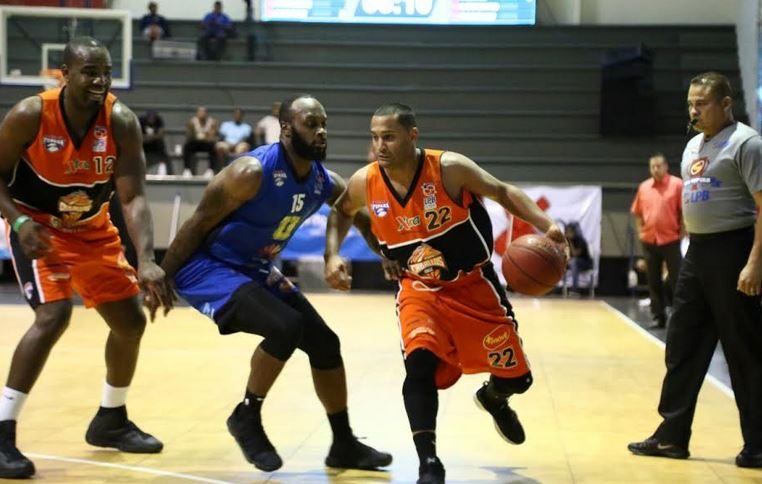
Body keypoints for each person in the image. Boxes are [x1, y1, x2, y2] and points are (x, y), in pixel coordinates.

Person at [324, 103, 567, 484]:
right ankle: (429, 463)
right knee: (419, 364)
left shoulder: (448, 168)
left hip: (474, 286)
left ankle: (493, 398)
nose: (380, 146)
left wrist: (547, 225)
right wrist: (333, 254)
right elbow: (342, 211)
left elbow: (503, 191)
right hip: (420, 289)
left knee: (518, 379)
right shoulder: (364, 181)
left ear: (412, 136)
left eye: (389, 137)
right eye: (375, 137)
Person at [158, 94, 392, 473]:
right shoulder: (250, 172)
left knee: (325, 344)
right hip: (209, 266)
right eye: (311, 124)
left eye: (324, 124)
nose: (321, 132)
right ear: (286, 128)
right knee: (285, 326)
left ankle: (344, 444)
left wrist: (376, 254)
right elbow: (197, 223)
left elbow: (356, 215)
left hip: (254, 266)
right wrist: (162, 277)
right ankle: (246, 416)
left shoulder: (321, 180)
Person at [0, 37, 174, 479]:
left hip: (93, 230)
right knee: (54, 315)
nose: (100, 81)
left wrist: (146, 259)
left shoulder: (121, 121)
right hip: (39, 229)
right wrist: (18, 223)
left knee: (131, 323)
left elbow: (133, 197)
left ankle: (110, 420)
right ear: (64, 74)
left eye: (106, 72)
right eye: (90, 72)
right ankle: (2, 431)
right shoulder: (30, 114)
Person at [628, 72, 762, 468]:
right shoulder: (692, 147)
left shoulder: (747, 143)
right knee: (682, 343)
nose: (693, 110)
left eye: (701, 103)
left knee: (744, 349)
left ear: (726, 104)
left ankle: (758, 443)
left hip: (734, 250)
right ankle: (672, 436)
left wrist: (755, 262)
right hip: (698, 253)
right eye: (690, 103)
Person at [630, 153, 683, 328]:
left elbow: (683, 211)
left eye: (658, 166)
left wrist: (682, 233)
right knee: (653, 280)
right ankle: (658, 316)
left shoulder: (677, 185)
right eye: (652, 167)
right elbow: (637, 212)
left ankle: (680, 317)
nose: (655, 169)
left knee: (676, 279)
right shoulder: (644, 187)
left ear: (666, 166)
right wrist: (640, 232)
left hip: (671, 239)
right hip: (649, 240)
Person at [182, 106, 218, 177]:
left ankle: (210, 170)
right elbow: (189, 135)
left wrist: (202, 136)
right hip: (195, 143)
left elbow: (212, 136)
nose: (202, 114)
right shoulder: (192, 122)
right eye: (200, 112)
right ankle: (187, 170)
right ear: (197, 113)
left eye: (203, 112)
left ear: (206, 113)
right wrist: (204, 135)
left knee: (213, 147)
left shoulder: (212, 122)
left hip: (206, 144)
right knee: (187, 146)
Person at [139, 110, 171, 175]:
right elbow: (139, 136)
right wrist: (152, 137)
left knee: (162, 146)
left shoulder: (159, 120)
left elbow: (160, 135)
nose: (151, 120)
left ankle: (169, 172)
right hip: (144, 145)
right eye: (150, 118)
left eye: (153, 118)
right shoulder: (141, 121)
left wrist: (149, 137)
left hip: (156, 145)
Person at [564, 222, 592, 293]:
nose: (568, 234)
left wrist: (570, 242)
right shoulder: (565, 241)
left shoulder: (581, 241)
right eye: (567, 232)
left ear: (574, 232)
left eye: (570, 232)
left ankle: (575, 290)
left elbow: (575, 254)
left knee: (573, 262)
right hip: (573, 263)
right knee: (562, 261)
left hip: (585, 263)